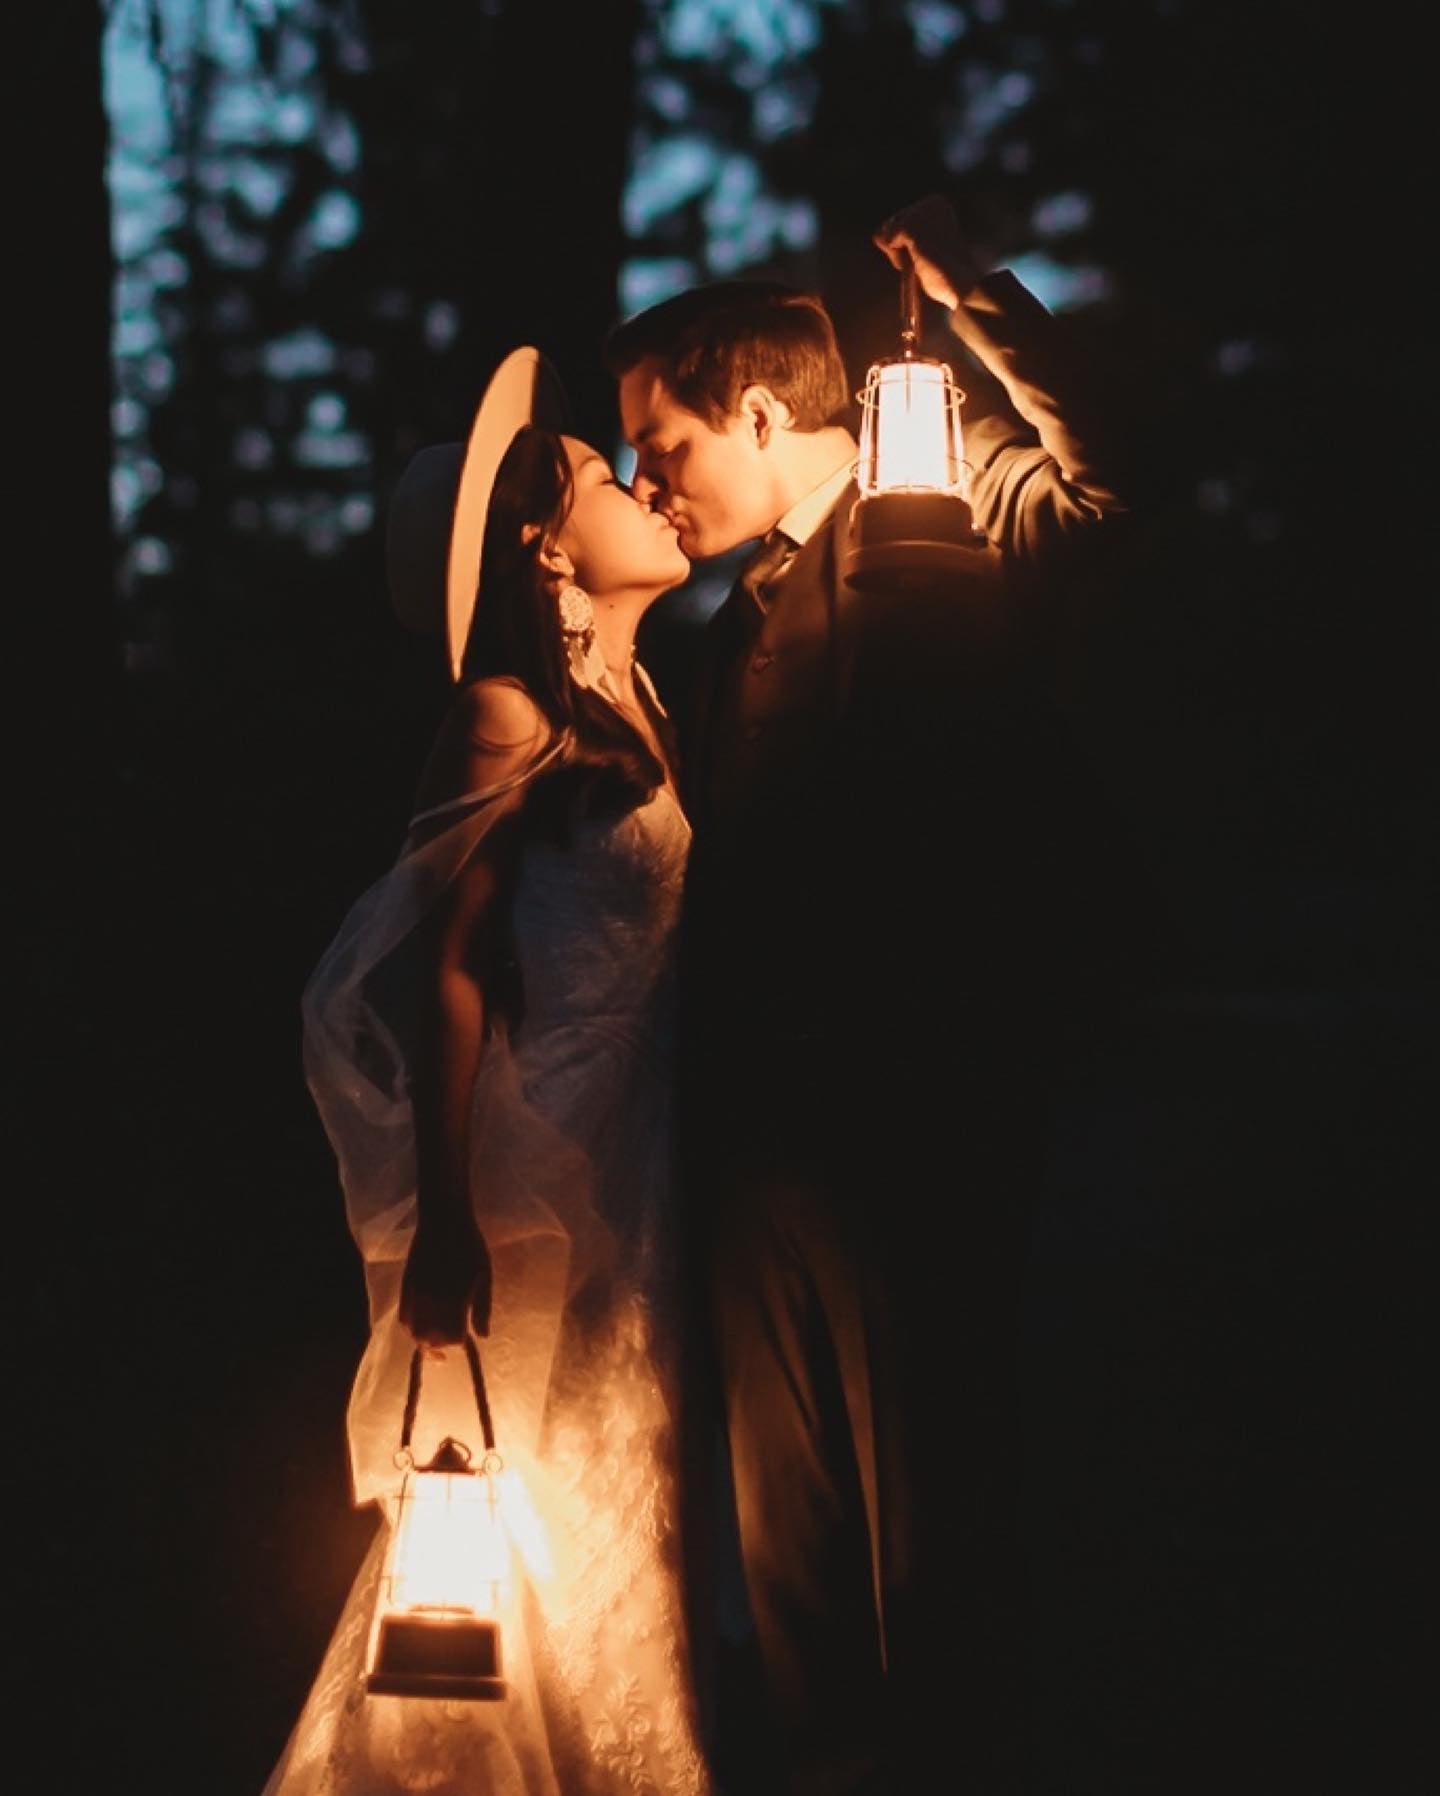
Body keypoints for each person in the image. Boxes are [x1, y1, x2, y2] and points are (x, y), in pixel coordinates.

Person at [604, 192, 1141, 1792]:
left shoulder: (974, 528)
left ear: (763, 412)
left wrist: (977, 301)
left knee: (942, 1527)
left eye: (666, 447)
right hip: (755, 1134)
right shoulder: (714, 633)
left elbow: (1110, 473)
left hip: (928, 1114)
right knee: (794, 1564)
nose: (648, 482)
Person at [261, 348, 711, 1796]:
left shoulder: (639, 703)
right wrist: (447, 1218)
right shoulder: (507, 715)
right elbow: (441, 966)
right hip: (539, 1178)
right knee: (540, 1518)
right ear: (545, 544)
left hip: (639, 1159)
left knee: (638, 1502)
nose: (642, 486)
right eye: (598, 475)